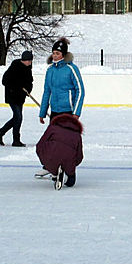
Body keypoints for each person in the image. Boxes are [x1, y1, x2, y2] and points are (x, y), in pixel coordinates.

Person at [35, 37, 85, 185]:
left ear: (63, 54)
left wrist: (76, 112)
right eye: (53, 53)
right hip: (55, 112)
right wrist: (42, 112)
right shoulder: (50, 70)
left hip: (68, 113)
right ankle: (52, 167)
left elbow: (80, 90)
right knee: (52, 142)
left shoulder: (71, 69)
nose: (54, 56)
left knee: (68, 143)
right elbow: (46, 92)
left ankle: (71, 173)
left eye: (57, 53)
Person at [0, 50, 34, 147]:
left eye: (30, 60)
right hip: (12, 96)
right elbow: (5, 81)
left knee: (17, 118)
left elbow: (29, 82)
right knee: (18, 117)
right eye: (27, 60)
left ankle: (0, 133)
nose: (29, 62)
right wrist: (17, 87)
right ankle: (16, 140)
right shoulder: (14, 67)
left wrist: (28, 90)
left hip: (20, 97)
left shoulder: (28, 69)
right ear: (22, 60)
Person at [36, 113, 84, 189]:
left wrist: (43, 159)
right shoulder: (77, 135)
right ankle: (64, 174)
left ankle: (55, 174)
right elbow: (79, 156)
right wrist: (72, 165)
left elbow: (40, 144)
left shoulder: (52, 128)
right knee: (71, 182)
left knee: (53, 162)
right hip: (68, 160)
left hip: (50, 157)